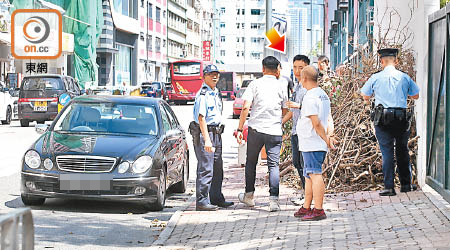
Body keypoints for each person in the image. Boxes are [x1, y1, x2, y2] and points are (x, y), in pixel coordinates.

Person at [360, 48, 420, 196]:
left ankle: (389, 187)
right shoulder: (404, 77)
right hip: (400, 118)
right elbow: (416, 95)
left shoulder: (376, 77)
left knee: (387, 152)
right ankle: (406, 185)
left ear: (381, 62)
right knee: (402, 150)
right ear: (396, 61)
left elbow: (364, 95)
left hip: (383, 119)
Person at [236, 56, 289, 212]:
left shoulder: (255, 83)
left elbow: (246, 107)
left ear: (263, 69)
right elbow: (285, 110)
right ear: (277, 69)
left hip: (256, 130)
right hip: (274, 131)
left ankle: (249, 196)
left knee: (251, 163)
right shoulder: (282, 84)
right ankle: (273, 201)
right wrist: (279, 123)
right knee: (273, 165)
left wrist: (240, 129)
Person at [294, 65, 336, 221]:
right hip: (312, 143)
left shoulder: (311, 97)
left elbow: (316, 123)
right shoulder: (323, 95)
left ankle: (318, 209)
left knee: (315, 174)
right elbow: (329, 118)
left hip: (313, 142)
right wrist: (330, 135)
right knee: (309, 175)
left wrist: (326, 139)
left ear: (304, 79)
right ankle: (307, 206)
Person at [190, 64, 234, 211]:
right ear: (204, 77)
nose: (214, 77)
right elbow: (201, 118)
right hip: (205, 134)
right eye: (211, 74)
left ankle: (216, 198)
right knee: (206, 169)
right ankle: (202, 201)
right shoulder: (203, 95)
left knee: (217, 168)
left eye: (216, 74)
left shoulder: (215, 92)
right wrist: (207, 139)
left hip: (216, 133)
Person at [281, 54, 310, 205]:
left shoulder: (309, 87)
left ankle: (308, 197)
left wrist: (297, 106)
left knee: (305, 165)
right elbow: (292, 111)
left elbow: (313, 109)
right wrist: (281, 122)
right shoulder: (297, 86)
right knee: (297, 163)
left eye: (301, 67)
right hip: (295, 131)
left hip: (305, 132)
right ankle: (305, 194)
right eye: (295, 67)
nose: (297, 71)